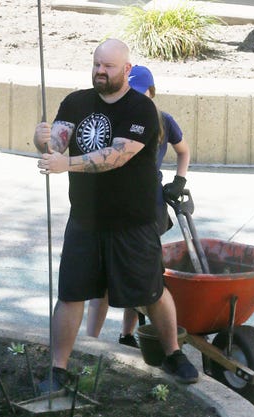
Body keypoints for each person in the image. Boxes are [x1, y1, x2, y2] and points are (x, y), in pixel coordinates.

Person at [33, 39, 198, 387]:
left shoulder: (141, 110)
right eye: (96, 64)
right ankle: (58, 369)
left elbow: (116, 155)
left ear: (126, 70)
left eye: (108, 66)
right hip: (86, 221)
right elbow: (56, 147)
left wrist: (67, 163)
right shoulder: (76, 102)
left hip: (132, 222)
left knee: (151, 293)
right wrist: (42, 141)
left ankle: (172, 354)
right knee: (71, 293)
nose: (100, 71)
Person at [86, 65, 191, 344]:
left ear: (151, 92)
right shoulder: (116, 119)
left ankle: (127, 333)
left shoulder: (164, 121)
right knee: (104, 281)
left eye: (140, 92)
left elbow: (184, 150)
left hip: (148, 206)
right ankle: (90, 343)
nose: (135, 97)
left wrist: (179, 180)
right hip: (113, 204)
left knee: (142, 275)